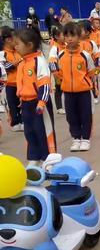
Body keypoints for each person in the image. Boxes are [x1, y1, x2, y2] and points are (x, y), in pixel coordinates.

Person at [15, 29, 56, 165]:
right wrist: (21, 99)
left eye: (18, 44)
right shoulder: (22, 63)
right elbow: (22, 84)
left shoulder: (39, 61)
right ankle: (34, 156)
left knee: (43, 130)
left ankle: (48, 158)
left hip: (39, 103)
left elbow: (44, 83)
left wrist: (42, 102)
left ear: (29, 45)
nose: (16, 47)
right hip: (26, 103)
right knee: (30, 131)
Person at [56, 22, 95, 151]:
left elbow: (91, 72)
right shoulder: (61, 55)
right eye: (66, 36)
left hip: (83, 92)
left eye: (73, 35)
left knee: (85, 115)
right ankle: (76, 138)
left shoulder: (85, 55)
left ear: (79, 37)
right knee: (71, 116)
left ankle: (85, 139)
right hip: (68, 92)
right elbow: (60, 73)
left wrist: (84, 83)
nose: (70, 39)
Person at [0, 27, 23, 131]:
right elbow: (6, 67)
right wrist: (16, 63)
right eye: (15, 38)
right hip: (9, 85)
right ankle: (15, 123)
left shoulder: (18, 51)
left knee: (21, 103)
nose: (16, 40)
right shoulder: (2, 53)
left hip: (20, 83)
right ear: (8, 40)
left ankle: (22, 121)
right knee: (12, 104)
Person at [47, 26, 66, 114]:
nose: (65, 36)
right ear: (57, 36)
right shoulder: (55, 48)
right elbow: (51, 61)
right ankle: (59, 107)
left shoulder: (65, 45)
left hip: (66, 72)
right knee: (58, 89)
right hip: (58, 73)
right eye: (63, 35)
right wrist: (55, 72)